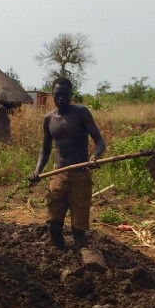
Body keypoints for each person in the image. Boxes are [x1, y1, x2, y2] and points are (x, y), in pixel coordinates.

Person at [28, 77, 106, 251]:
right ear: (52, 95)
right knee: (53, 226)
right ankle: (62, 256)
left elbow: (100, 142)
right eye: (57, 95)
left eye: (65, 95)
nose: (61, 98)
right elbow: (45, 150)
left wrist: (94, 157)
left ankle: (81, 257)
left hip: (80, 176)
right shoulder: (48, 119)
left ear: (71, 94)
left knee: (78, 228)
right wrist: (37, 171)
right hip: (58, 176)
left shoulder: (81, 113)